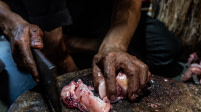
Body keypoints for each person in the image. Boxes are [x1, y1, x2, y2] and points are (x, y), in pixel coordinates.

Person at [0, 0, 181, 106]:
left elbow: (130, 4)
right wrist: (8, 21)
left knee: (166, 49)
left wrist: (113, 45)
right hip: (36, 21)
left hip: (92, 13)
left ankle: (85, 47)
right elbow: (55, 47)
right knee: (28, 100)